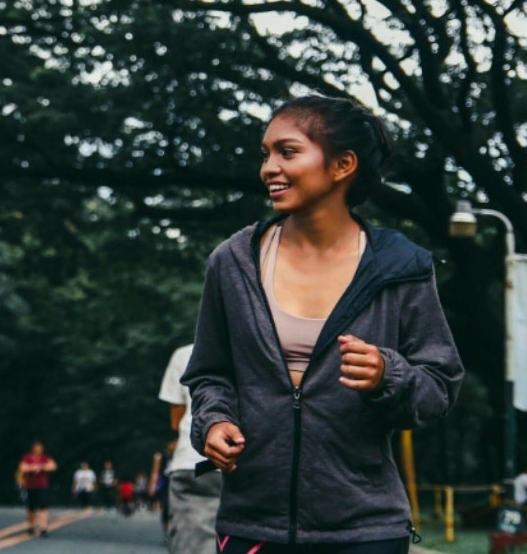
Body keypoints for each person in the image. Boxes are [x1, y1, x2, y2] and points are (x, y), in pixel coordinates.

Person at [182, 94, 464, 554]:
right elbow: (209, 373)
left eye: (287, 152)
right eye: (266, 153)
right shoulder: (233, 262)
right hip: (254, 524)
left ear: (342, 165)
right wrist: (213, 423)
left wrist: (386, 375)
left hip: (365, 529)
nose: (268, 168)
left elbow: (440, 386)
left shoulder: (401, 267)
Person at [159, 344, 222, 554]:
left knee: (192, 544)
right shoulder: (266, 350)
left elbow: (176, 419)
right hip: (251, 461)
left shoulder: (185, 355)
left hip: (194, 460)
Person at [19, 441, 58, 536]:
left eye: (39, 449)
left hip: (42, 485)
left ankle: (43, 527)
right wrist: (33, 468)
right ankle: (31, 526)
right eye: (36, 449)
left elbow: (53, 466)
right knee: (31, 507)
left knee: (43, 507)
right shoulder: (27, 458)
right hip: (30, 485)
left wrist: (41, 467)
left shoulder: (45, 458)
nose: (38, 451)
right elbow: (22, 468)